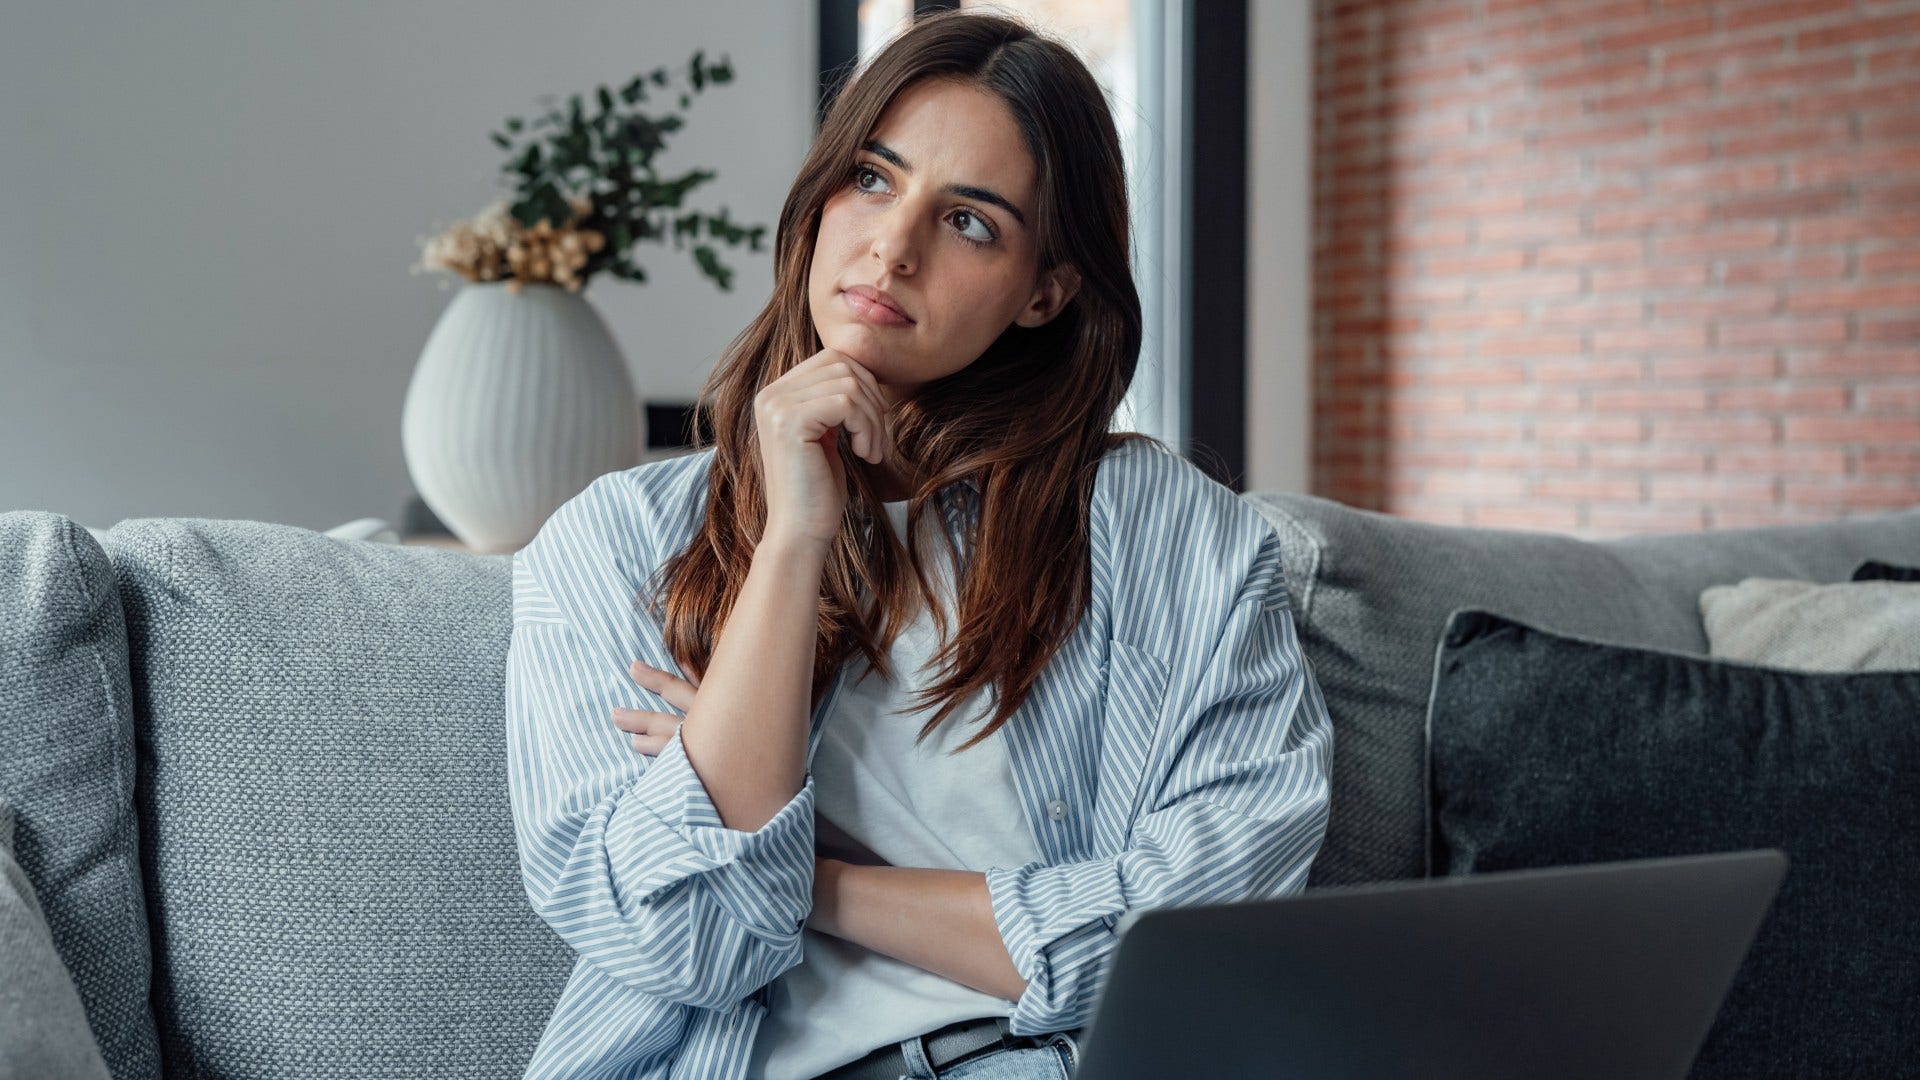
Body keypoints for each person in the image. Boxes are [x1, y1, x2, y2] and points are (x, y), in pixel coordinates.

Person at [503, 9, 1334, 1079]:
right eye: (873, 179)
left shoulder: (1175, 539)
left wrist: (812, 873)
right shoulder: (615, 544)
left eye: (970, 222)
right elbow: (684, 937)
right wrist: (795, 536)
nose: (892, 249)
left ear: (1047, 291)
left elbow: (1201, 943)